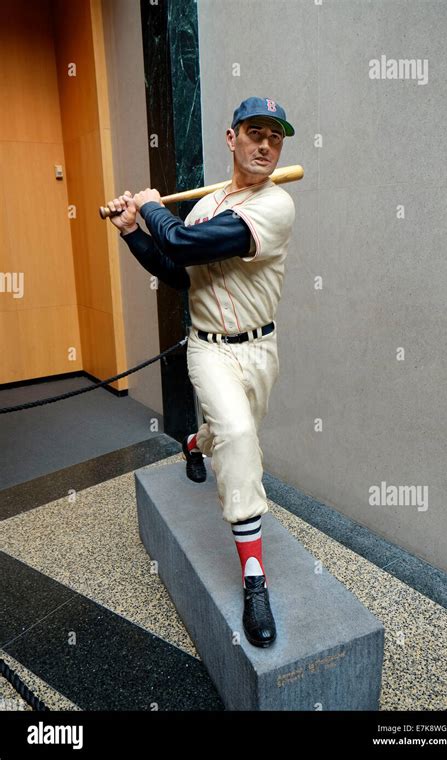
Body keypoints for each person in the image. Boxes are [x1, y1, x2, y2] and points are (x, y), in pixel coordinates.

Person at [107, 97, 296, 648]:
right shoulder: (207, 204)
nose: (265, 145)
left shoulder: (277, 206)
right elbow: (178, 270)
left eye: (275, 138)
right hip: (209, 348)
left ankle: (193, 442)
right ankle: (255, 577)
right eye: (254, 133)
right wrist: (133, 231)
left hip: (261, 349)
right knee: (238, 437)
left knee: (229, 435)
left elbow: (185, 241)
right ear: (231, 138)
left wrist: (148, 204)